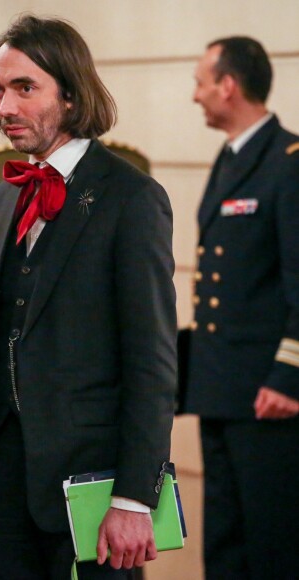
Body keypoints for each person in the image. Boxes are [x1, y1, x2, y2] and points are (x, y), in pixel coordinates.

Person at [0, 15, 177, 580]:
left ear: (70, 96)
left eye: (25, 88)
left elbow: (151, 361)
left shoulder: (133, 197)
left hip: (92, 492)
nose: (5, 107)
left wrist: (134, 498)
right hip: (0, 485)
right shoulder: (1, 197)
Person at [184, 36, 299, 579]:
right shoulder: (232, 158)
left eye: (201, 83)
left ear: (228, 86)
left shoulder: (288, 163)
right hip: (222, 386)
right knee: (226, 546)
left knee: (272, 546)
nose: (196, 96)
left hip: (268, 395)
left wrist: (289, 375)